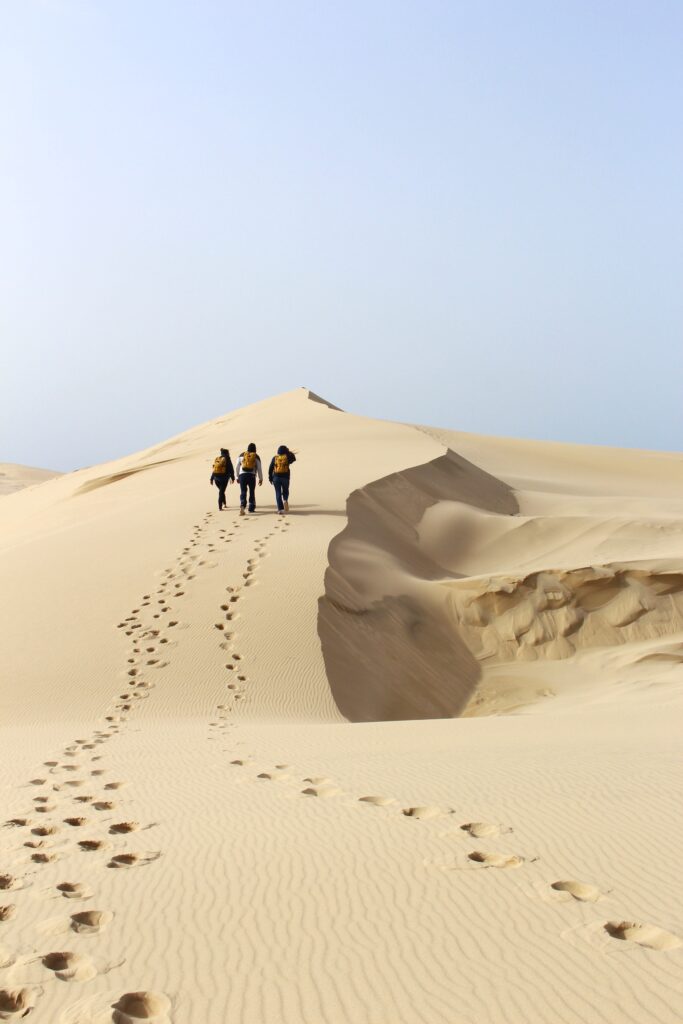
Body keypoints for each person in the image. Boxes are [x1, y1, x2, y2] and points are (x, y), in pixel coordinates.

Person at [235, 442, 263, 515]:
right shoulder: (256, 456)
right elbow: (259, 468)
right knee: (252, 491)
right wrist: (261, 479)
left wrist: (237, 477)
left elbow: (237, 467)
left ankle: (242, 505)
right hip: (252, 476)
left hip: (242, 476)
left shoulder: (242, 455)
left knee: (243, 491)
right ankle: (251, 507)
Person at [268, 445, 296, 514]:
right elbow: (294, 458)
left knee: (278, 493)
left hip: (276, 478)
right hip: (285, 477)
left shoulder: (275, 458)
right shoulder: (287, 458)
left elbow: (270, 468)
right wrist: (288, 452)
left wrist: (270, 478)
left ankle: (280, 509)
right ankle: (285, 500)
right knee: (285, 490)